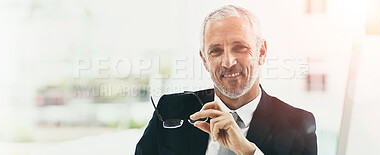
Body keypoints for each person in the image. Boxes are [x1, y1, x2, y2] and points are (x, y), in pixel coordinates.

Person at [135, 5, 317, 155]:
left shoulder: (298, 124)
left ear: (261, 52)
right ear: (205, 60)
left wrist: (247, 151)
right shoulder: (170, 110)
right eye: (216, 51)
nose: (228, 62)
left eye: (239, 48)